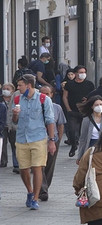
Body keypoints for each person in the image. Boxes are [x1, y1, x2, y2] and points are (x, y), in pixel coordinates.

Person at [12, 74, 56, 210]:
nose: (18, 87)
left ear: (28, 85)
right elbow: (14, 122)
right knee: (23, 169)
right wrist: (15, 114)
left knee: (37, 167)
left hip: (38, 137)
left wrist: (52, 140)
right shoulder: (18, 98)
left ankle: (35, 198)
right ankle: (30, 191)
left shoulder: (44, 99)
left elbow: (50, 120)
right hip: (21, 138)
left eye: (20, 85)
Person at [38, 85, 66, 201]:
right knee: (38, 164)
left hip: (52, 139)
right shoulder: (35, 106)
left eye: (47, 94)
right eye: (42, 94)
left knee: (49, 165)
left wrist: (57, 139)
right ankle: (42, 189)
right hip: (38, 139)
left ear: (52, 95)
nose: (44, 96)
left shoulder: (57, 107)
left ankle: (45, 187)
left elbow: (60, 124)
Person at [63, 65, 95, 157]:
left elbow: (93, 96)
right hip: (72, 111)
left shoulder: (89, 84)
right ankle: (73, 145)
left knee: (83, 132)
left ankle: (83, 149)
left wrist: (88, 101)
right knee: (72, 130)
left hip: (85, 111)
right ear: (76, 73)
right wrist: (68, 108)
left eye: (84, 72)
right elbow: (65, 96)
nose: (83, 74)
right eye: (80, 72)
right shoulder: (69, 84)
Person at [76, 95, 102, 163]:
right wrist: (80, 156)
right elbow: (83, 138)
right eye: (96, 105)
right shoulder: (87, 120)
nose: (99, 106)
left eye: (101, 104)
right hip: (92, 147)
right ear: (92, 106)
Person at [1, 83, 19, 173]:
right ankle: (2, 160)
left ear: (12, 90)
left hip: (12, 125)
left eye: (8, 88)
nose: (5, 90)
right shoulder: (1, 100)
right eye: (4, 88)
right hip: (2, 125)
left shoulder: (15, 99)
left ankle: (16, 163)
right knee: (2, 144)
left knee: (14, 144)